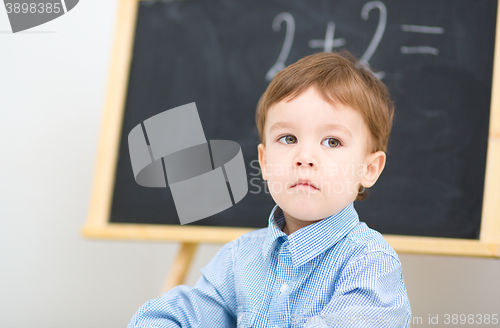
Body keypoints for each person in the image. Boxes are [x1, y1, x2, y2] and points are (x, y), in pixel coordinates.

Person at [127, 51, 412, 328]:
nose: (304, 157)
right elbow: (181, 315)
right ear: (264, 162)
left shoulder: (370, 263)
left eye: (332, 141)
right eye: (288, 138)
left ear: (369, 169)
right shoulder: (240, 257)